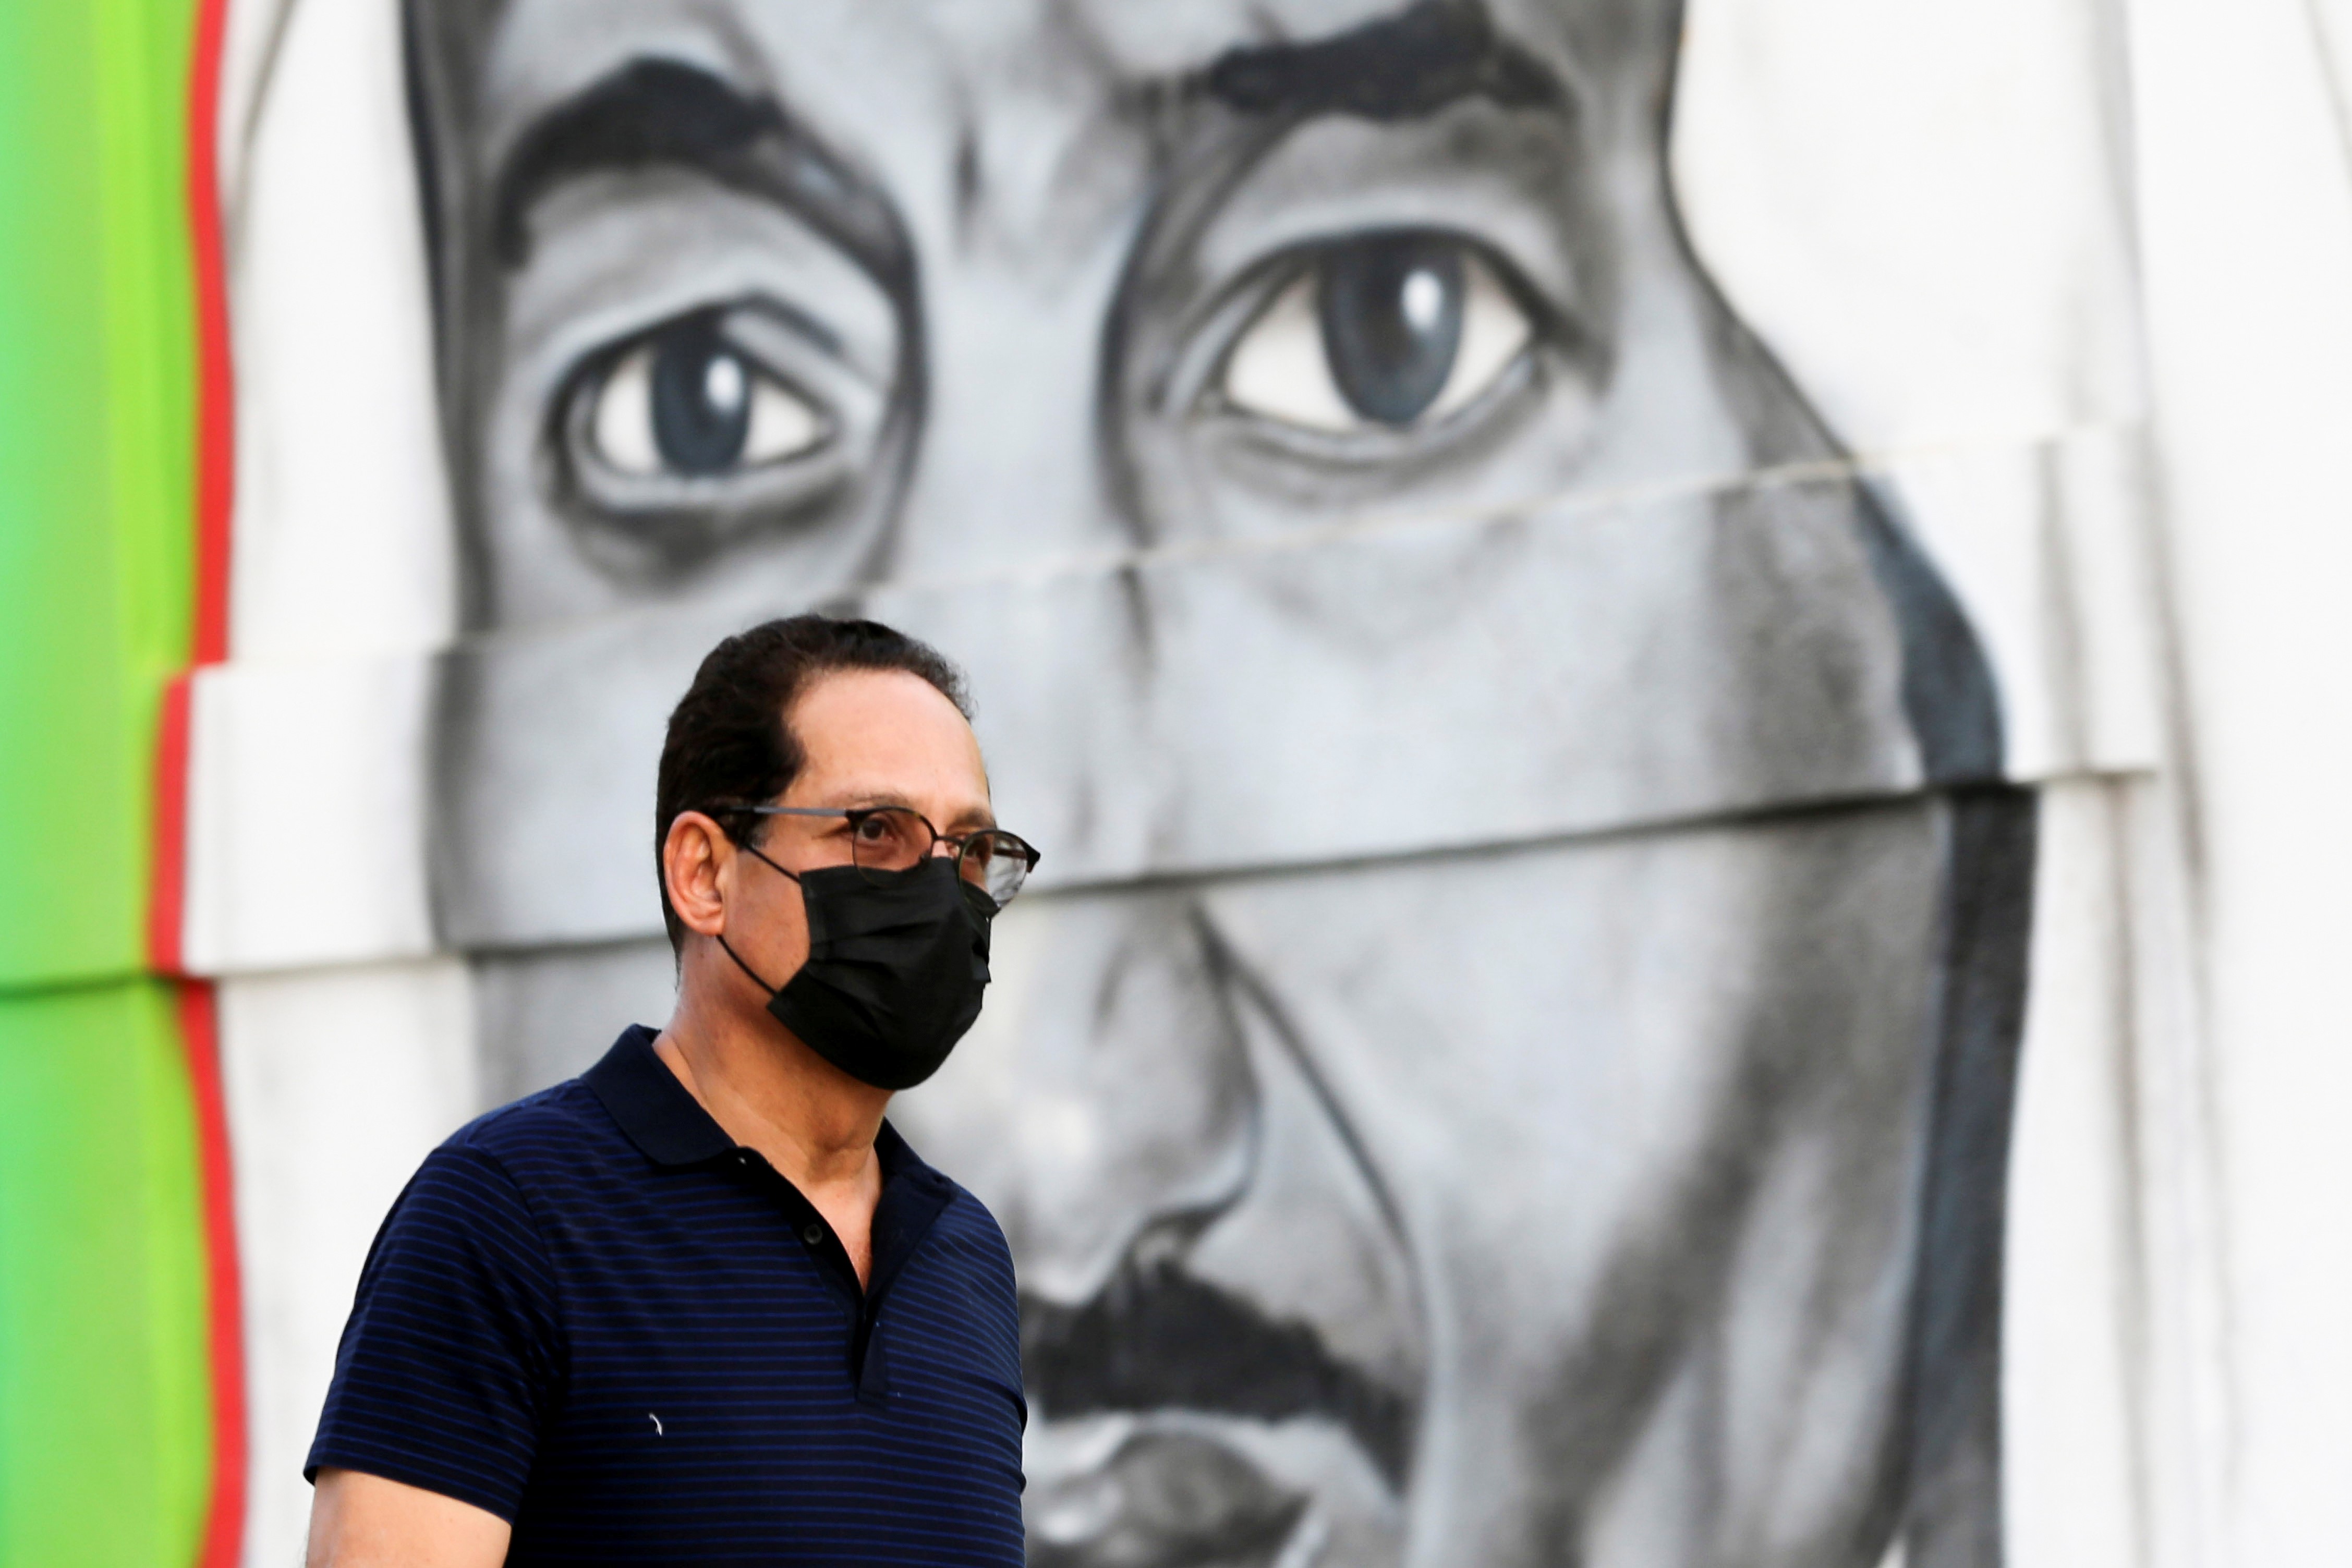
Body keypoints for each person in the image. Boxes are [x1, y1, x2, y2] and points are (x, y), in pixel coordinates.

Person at [404, 2, 2035, 1565]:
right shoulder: (509, 1235)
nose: (1073, 1142)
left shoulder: (947, 1257)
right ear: (693, 868)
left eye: (1376, 333)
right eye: (699, 405)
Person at [304, 616, 1039, 1565]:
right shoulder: (505, 1216)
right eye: (874, 832)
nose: (941, 896)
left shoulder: (962, 1254)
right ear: (704, 874)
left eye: (971, 852)